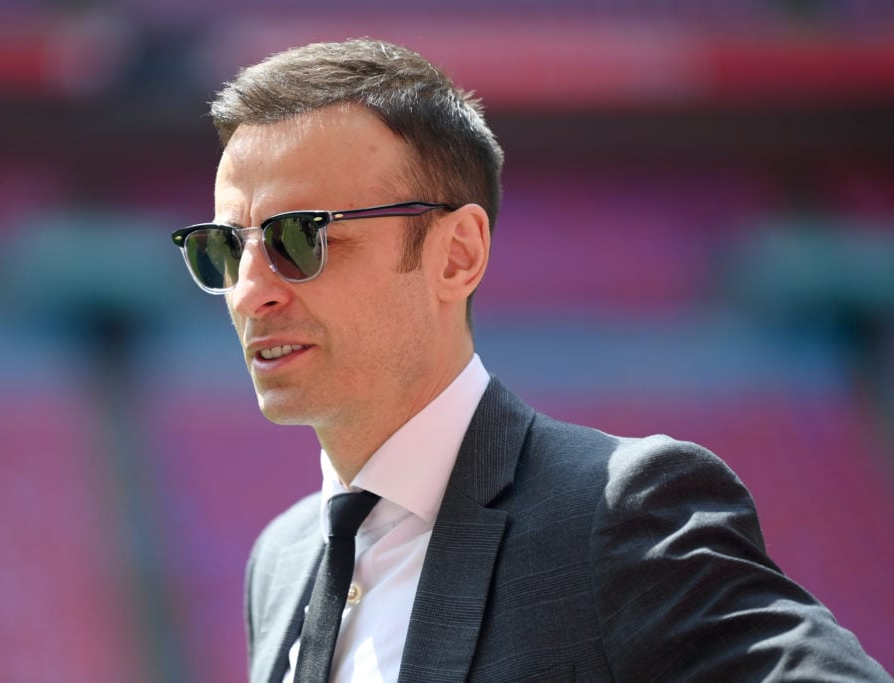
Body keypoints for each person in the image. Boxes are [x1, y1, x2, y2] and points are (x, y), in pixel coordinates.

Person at [170, 38, 891, 683]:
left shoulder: (619, 510)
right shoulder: (282, 558)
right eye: (225, 249)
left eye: (298, 237)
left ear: (458, 254)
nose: (250, 291)